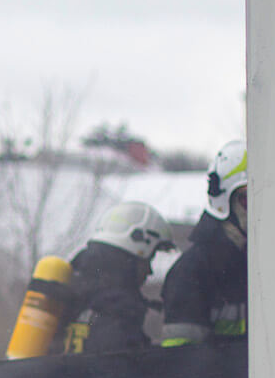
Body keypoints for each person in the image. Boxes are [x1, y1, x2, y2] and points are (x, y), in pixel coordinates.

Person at [160, 139, 248, 347]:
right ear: (225, 202)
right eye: (247, 199)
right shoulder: (192, 272)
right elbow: (179, 360)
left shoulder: (273, 259)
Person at [58, 201, 174, 355]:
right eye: (148, 260)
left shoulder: (72, 288)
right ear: (137, 250)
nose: (150, 271)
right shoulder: (118, 308)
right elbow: (123, 365)